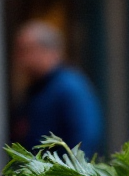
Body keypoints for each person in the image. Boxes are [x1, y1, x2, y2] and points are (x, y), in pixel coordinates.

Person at [11, 21, 103, 156]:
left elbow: (85, 140)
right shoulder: (36, 88)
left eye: (27, 50)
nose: (21, 60)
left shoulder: (69, 87)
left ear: (49, 51)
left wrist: (68, 174)